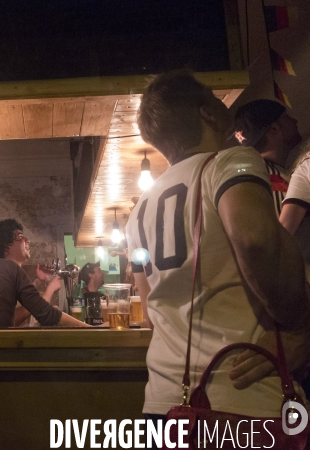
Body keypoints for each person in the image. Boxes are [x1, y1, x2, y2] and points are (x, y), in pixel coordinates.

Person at [127, 70, 310, 439]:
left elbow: (149, 312)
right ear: (207, 113)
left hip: (165, 407)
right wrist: (301, 325)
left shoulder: (138, 211)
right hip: (240, 400)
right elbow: (256, 239)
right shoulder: (231, 162)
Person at [233, 99, 302, 215]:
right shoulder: (273, 180)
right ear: (274, 129)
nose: (294, 120)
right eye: (286, 117)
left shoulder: (252, 174)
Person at [0, 218, 62, 326]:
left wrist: (37, 282)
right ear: (6, 245)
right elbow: (8, 320)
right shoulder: (1, 277)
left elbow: (29, 304)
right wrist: (50, 289)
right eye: (20, 236)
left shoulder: (12, 274)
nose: (27, 240)